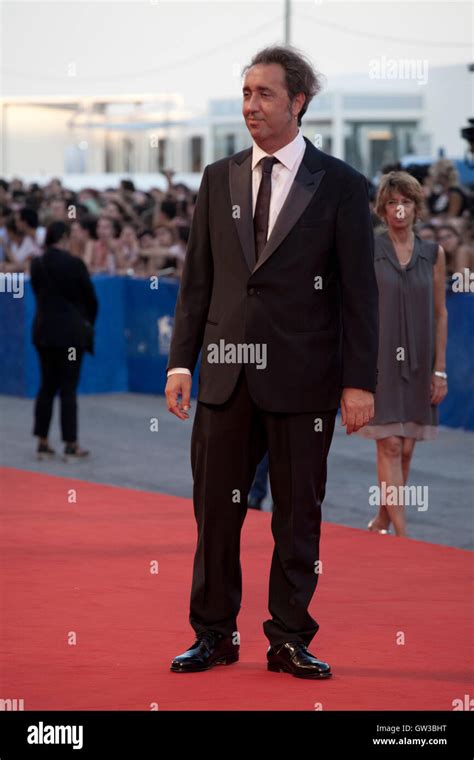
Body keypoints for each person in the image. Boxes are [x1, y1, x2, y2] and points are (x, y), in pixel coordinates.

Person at [165, 45, 378, 679]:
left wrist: (358, 382)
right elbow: (196, 281)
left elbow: (358, 296)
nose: (250, 104)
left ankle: (288, 637)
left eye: (264, 94)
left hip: (304, 380)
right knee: (216, 514)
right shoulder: (217, 176)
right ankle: (213, 635)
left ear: (298, 102)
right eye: (246, 92)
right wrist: (182, 365)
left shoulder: (340, 185)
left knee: (297, 519)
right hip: (226, 375)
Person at [356, 171, 448, 537]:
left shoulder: (433, 254)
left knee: (407, 449)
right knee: (390, 445)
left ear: (416, 208)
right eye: (392, 202)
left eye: (406, 202)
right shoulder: (370, 250)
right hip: (380, 363)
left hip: (420, 362)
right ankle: (403, 535)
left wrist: (438, 370)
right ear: (382, 209)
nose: (399, 209)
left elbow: (441, 313)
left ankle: (382, 518)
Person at [30, 221, 98, 461]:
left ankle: (42, 440)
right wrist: (86, 321)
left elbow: (38, 294)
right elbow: (90, 299)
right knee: (68, 388)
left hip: (44, 333)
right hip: (70, 334)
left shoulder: (37, 264)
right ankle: (71, 443)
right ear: (64, 237)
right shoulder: (74, 264)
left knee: (46, 386)